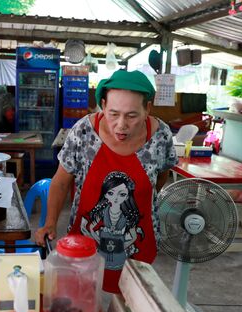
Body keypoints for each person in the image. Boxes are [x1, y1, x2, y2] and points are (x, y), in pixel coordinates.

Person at [36, 69, 177, 293]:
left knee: (130, 303)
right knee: (82, 298)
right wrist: (50, 223)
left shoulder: (161, 136)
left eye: (132, 116)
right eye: (113, 114)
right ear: (102, 105)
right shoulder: (84, 131)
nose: (121, 124)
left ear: (147, 109)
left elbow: (161, 175)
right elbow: (61, 181)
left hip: (137, 243)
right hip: (85, 243)